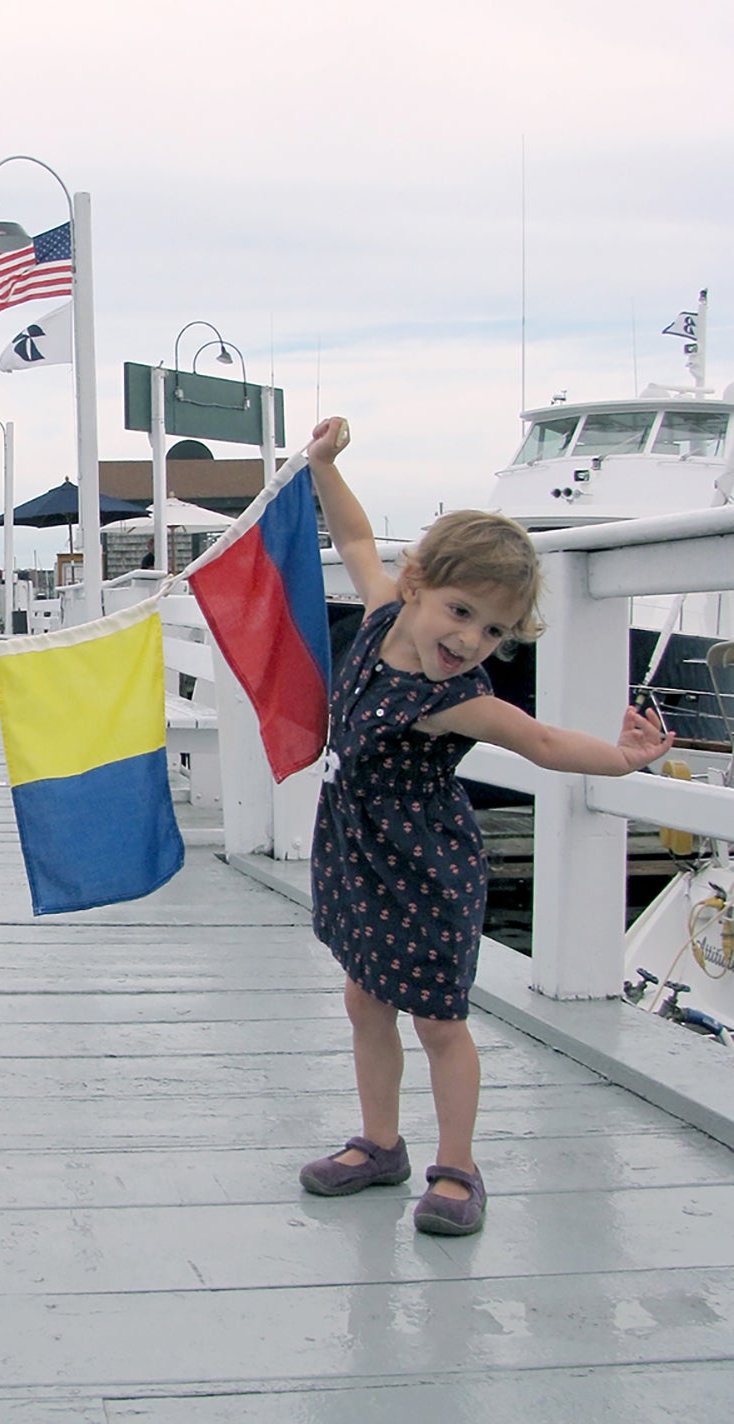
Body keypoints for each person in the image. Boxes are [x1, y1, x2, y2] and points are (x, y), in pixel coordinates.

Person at [297, 416, 672, 1235]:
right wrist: (324, 465)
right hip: (360, 861)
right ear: (417, 585)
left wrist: (621, 758)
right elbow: (357, 536)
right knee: (364, 1000)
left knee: (438, 1020)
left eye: (495, 631)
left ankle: (458, 1168)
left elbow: (539, 741)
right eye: (461, 611)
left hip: (426, 873)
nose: (469, 640)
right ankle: (379, 1143)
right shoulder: (374, 622)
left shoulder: (452, 698)